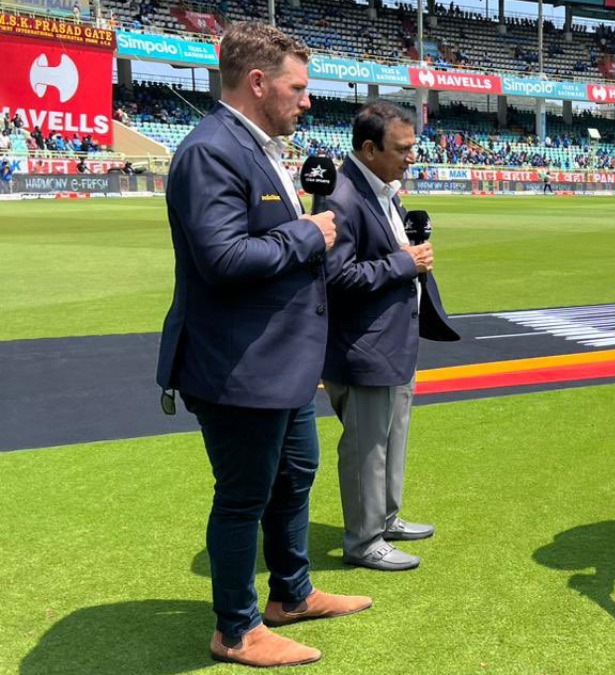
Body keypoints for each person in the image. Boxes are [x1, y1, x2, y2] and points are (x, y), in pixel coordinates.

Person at [155, 21, 370, 667]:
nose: (308, 101)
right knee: (243, 496)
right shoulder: (209, 150)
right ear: (257, 82)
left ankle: (292, 593)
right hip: (236, 365)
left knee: (295, 475)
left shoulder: (253, 146)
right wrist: (309, 233)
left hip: (281, 362)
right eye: (298, 87)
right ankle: (236, 629)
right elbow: (222, 257)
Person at [322, 100, 459, 572]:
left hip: (394, 339)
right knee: (366, 448)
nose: (411, 156)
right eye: (402, 149)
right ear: (368, 148)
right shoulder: (341, 196)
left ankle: (386, 519)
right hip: (364, 346)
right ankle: (363, 541)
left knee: (392, 438)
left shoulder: (382, 189)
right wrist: (406, 262)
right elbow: (335, 277)